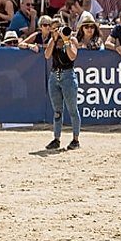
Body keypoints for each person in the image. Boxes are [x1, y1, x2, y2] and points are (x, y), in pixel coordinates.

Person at [32, 16, 81, 150]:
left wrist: (65, 40)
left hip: (68, 75)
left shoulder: (71, 40)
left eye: (57, 29)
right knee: (57, 111)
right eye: (53, 29)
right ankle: (56, 138)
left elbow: (72, 56)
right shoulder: (52, 41)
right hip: (55, 76)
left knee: (72, 110)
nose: (56, 32)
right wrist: (53, 39)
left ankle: (75, 139)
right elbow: (47, 56)